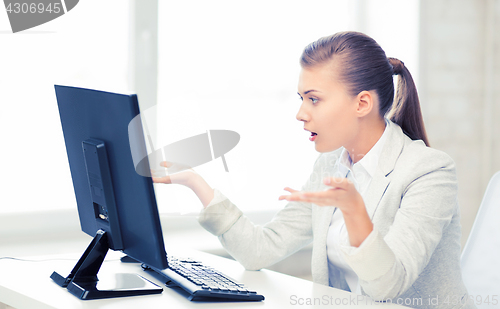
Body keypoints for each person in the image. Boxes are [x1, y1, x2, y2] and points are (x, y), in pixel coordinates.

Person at [153, 31, 475, 309]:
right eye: (301, 98)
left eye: (314, 99)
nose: (300, 113)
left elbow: (388, 285)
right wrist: (197, 183)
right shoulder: (331, 164)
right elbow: (259, 251)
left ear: (362, 103)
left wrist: (354, 212)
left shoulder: (430, 172)